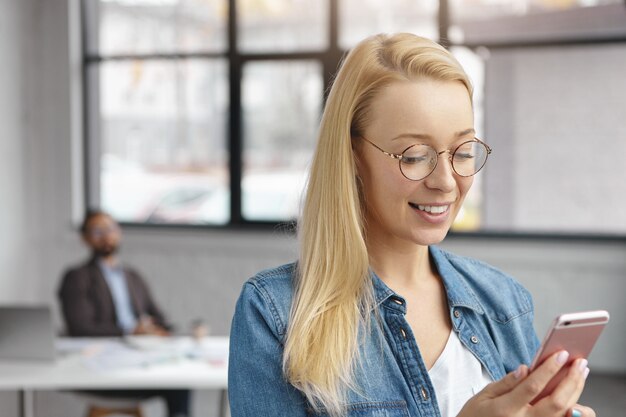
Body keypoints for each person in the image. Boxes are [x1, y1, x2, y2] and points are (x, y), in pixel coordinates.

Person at [228, 33, 595, 417]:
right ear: (352, 157)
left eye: (463, 151)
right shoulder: (275, 314)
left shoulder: (503, 300)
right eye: (415, 155)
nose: (446, 182)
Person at [58, 209, 191, 417]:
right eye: (97, 231)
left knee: (181, 381)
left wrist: (158, 330)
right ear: (85, 238)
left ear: (119, 232)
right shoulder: (77, 277)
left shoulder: (132, 276)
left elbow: (159, 317)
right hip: (101, 367)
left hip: (139, 358)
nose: (106, 235)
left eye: (110, 229)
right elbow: (80, 328)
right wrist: (130, 331)